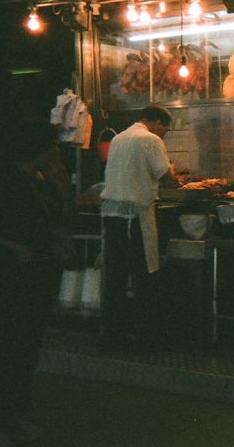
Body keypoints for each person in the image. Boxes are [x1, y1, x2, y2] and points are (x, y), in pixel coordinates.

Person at [0, 121, 75, 447]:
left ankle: (13, 416)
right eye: (54, 148)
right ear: (40, 149)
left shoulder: (40, 182)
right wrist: (12, 247)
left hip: (38, 277)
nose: (57, 154)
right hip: (8, 278)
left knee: (27, 350)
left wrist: (62, 187)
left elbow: (62, 219)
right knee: (8, 350)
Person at [99, 104, 180, 351]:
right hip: (135, 218)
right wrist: (175, 177)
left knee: (115, 278)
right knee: (145, 278)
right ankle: (147, 340)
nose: (164, 135)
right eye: (165, 130)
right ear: (156, 123)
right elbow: (167, 178)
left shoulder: (120, 138)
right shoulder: (151, 140)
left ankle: (113, 336)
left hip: (111, 216)